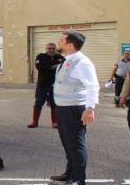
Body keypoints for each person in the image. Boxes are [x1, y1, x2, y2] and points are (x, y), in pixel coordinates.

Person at [49, 30, 99, 185]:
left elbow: (93, 86)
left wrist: (90, 109)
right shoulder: (66, 60)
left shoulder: (82, 63)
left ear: (70, 45)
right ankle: (70, 173)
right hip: (63, 108)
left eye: (62, 40)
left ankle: (78, 179)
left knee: (76, 144)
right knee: (67, 143)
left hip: (74, 109)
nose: (59, 41)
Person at [27, 43, 64, 128]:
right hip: (42, 84)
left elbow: (65, 68)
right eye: (49, 48)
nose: (51, 50)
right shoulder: (40, 57)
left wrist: (52, 67)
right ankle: (35, 122)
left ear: (55, 49)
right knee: (38, 103)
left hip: (55, 85)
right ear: (46, 49)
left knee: (54, 104)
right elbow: (40, 67)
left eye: (53, 48)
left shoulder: (60, 58)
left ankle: (55, 122)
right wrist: (56, 66)